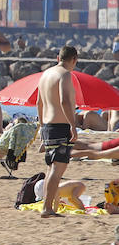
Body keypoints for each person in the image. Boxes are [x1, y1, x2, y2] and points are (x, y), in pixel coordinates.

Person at [37, 45, 79, 217]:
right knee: (57, 168)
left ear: (58, 58)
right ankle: (47, 208)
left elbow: (39, 102)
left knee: (51, 169)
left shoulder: (45, 75)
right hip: (60, 126)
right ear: (74, 60)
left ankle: (49, 206)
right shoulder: (65, 74)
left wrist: (41, 126)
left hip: (47, 125)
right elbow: (64, 102)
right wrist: (73, 125)